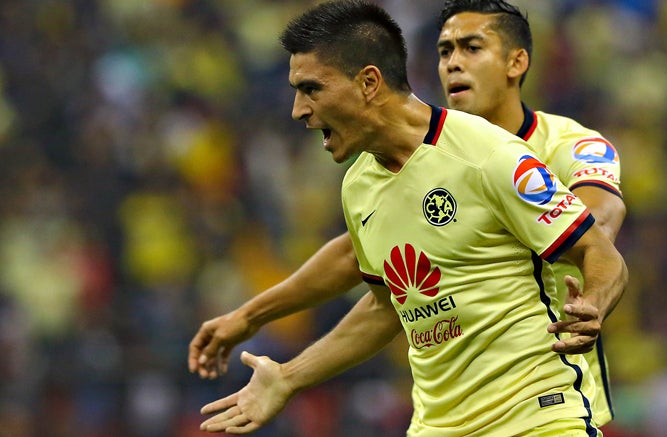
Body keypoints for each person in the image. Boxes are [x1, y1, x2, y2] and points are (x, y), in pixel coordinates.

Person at [189, 0, 626, 428]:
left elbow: (597, 241)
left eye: (312, 89)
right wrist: (288, 374)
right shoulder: (360, 185)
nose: (298, 110)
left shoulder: (500, 154)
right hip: (436, 423)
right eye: (444, 51)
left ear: (369, 82)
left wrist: (592, 300)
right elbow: (388, 302)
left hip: (536, 413)